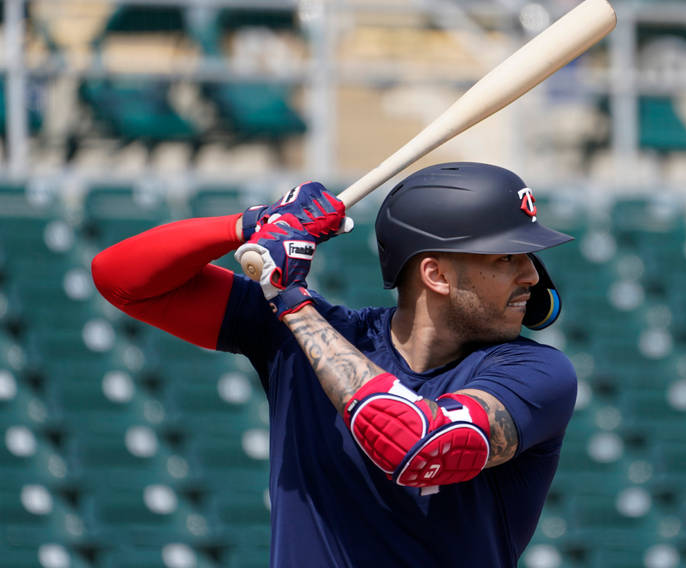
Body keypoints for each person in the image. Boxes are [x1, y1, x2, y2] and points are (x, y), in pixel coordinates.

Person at [92, 161, 577, 567]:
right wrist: (252, 223)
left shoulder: (535, 373)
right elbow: (120, 278)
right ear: (437, 274)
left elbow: (424, 448)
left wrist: (291, 301)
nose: (532, 274)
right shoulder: (303, 332)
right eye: (507, 257)